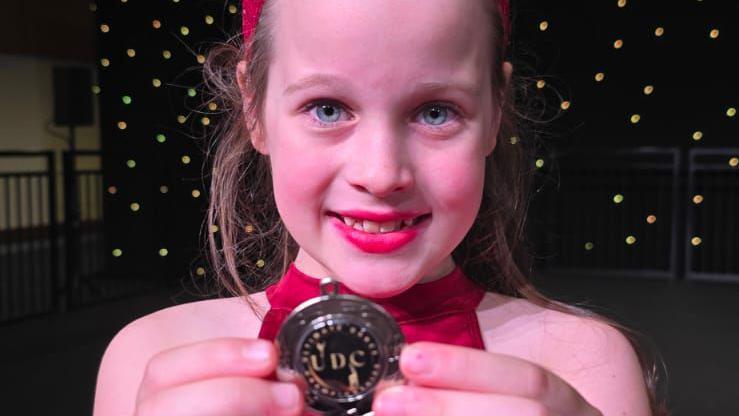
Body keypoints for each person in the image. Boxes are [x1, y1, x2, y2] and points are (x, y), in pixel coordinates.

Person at [93, 0, 667, 415]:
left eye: (436, 112)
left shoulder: (584, 366)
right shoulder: (149, 360)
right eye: (326, 108)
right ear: (253, 107)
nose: (381, 173)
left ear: (494, 111)